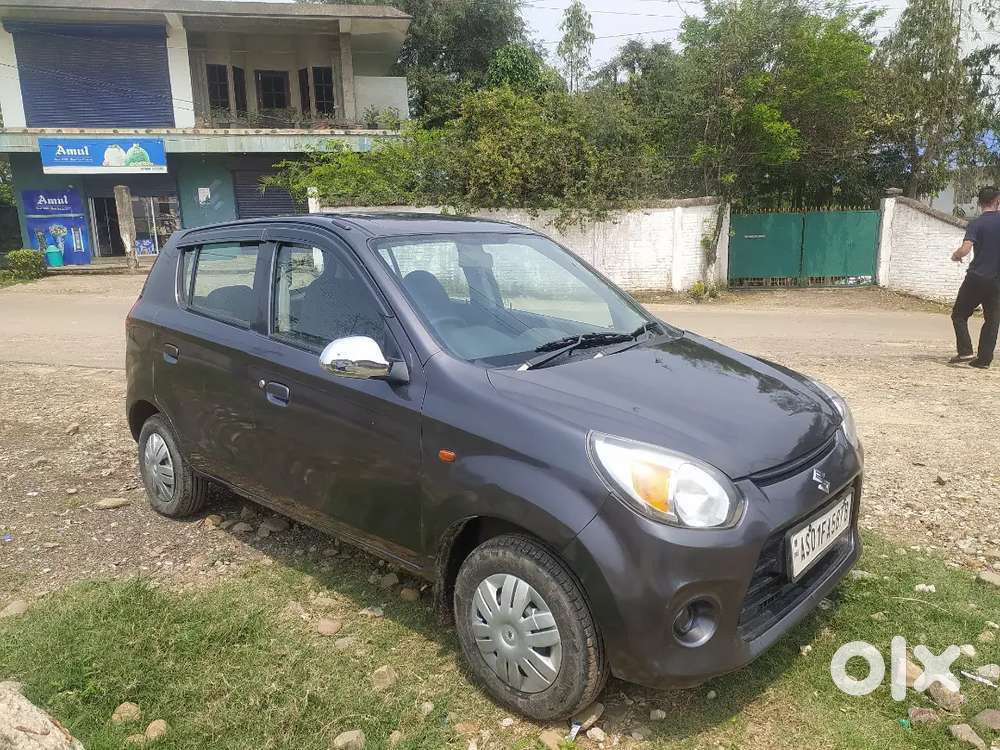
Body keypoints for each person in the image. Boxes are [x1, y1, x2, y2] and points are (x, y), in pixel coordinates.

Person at [950, 186, 1000, 369]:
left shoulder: (977, 223)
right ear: (998, 201)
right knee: (992, 320)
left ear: (979, 203)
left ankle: (965, 351)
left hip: (977, 277)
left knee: (959, 315)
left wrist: (956, 255)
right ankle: (984, 360)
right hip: (997, 281)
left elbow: (966, 248)